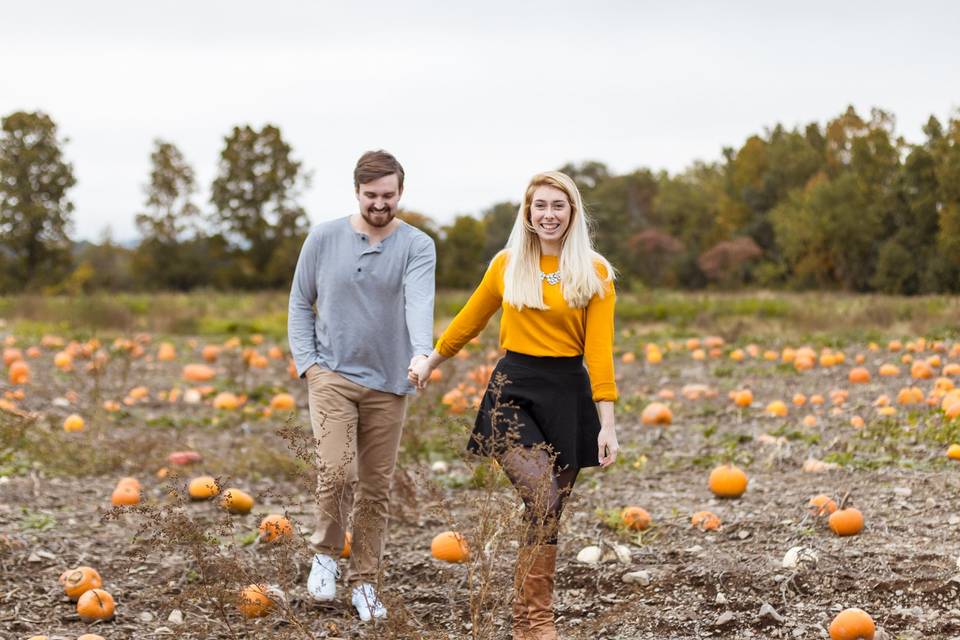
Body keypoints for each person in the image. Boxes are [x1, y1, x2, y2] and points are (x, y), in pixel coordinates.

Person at [409, 170, 619, 640]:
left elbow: (600, 351)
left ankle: (529, 622)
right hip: (514, 390)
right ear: (528, 213)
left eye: (558, 206)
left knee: (548, 511)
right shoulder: (507, 264)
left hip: (569, 393)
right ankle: (539, 623)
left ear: (572, 212)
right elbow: (470, 319)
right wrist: (431, 361)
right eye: (540, 205)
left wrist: (607, 423)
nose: (548, 214)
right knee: (542, 495)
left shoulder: (595, 272)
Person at [287, 150, 436, 622]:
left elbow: (418, 301)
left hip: (391, 382)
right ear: (357, 192)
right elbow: (299, 302)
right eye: (371, 195)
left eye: (388, 195)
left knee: (375, 487)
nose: (379, 204)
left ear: (400, 193)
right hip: (331, 374)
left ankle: (365, 583)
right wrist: (308, 364)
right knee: (337, 471)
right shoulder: (323, 238)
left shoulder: (417, 245)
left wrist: (420, 352)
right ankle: (327, 554)